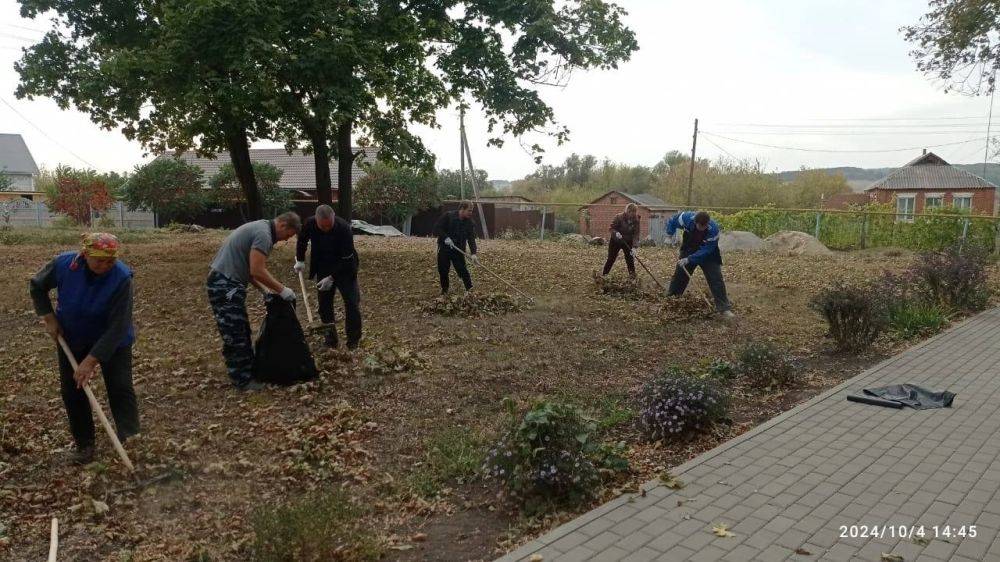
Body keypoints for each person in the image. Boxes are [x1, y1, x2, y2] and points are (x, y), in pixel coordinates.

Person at [29, 233, 139, 464]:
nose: (105, 266)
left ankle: (131, 441)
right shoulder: (64, 265)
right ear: (85, 254)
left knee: (120, 387)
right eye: (99, 260)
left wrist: (90, 361)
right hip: (73, 336)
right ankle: (84, 446)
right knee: (73, 390)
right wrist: (49, 317)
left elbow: (119, 325)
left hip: (112, 339)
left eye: (110, 261)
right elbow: (37, 285)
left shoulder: (121, 278)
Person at [207, 212, 301, 390]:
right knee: (235, 332)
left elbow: (249, 270)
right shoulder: (264, 235)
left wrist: (265, 290)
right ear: (282, 225)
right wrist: (282, 290)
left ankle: (246, 372)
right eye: (287, 236)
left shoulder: (260, 228)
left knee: (241, 328)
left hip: (228, 282)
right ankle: (242, 380)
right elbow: (257, 269)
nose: (285, 240)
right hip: (224, 284)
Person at [294, 205, 362, 349]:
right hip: (323, 265)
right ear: (316, 220)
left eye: (329, 225)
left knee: (352, 303)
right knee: (324, 306)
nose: (326, 229)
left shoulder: (344, 228)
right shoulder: (309, 223)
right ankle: (330, 340)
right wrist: (300, 260)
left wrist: (331, 278)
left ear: (333, 218)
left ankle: (353, 341)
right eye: (322, 226)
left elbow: (347, 260)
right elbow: (302, 240)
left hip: (345, 267)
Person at [665, 210, 735, 319]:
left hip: (709, 253)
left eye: (705, 226)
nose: (702, 228)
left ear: (708, 223)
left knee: (716, 278)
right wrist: (669, 235)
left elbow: (706, 250)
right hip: (689, 247)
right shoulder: (686, 218)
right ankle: (671, 300)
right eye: (700, 226)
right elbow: (672, 220)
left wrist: (690, 259)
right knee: (680, 273)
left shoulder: (714, 229)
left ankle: (724, 308)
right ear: (695, 222)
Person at [433, 201, 479, 294]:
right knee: (443, 270)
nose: (471, 213)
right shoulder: (448, 216)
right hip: (444, 249)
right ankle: (444, 290)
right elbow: (436, 229)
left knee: (463, 270)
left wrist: (473, 253)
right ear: (462, 209)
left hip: (458, 250)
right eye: (469, 210)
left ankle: (470, 290)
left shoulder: (469, 223)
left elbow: (471, 239)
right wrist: (445, 237)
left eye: (471, 211)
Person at [604, 203, 640, 278]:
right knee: (611, 258)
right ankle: (604, 275)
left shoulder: (636, 220)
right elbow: (611, 228)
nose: (632, 215)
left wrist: (634, 247)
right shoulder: (619, 217)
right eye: (630, 212)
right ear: (627, 211)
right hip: (616, 241)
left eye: (634, 213)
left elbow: (636, 234)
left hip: (628, 241)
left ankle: (632, 277)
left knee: (630, 259)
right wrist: (616, 233)